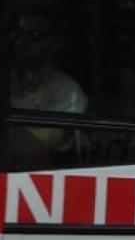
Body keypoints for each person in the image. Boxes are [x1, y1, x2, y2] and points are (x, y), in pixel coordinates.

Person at [11, 13, 88, 152]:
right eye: (18, 34)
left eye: (34, 35)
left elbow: (51, 138)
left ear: (55, 44)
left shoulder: (68, 90)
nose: (22, 41)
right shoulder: (1, 82)